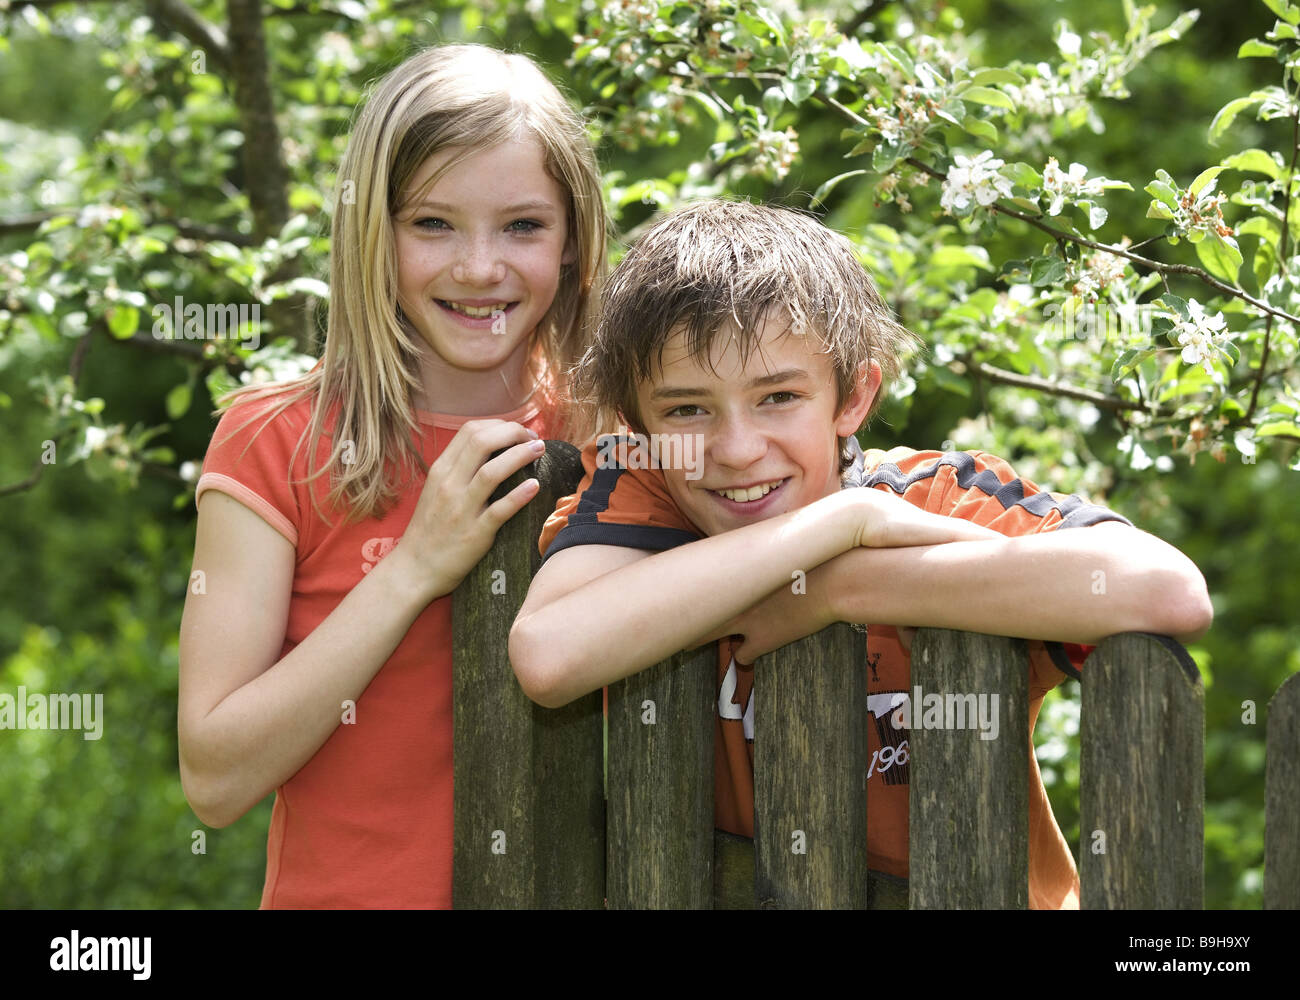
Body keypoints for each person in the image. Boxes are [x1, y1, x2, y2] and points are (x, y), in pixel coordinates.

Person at [508, 198, 1213, 910]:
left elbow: (1165, 591)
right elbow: (548, 655)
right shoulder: (650, 497)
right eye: (687, 410)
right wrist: (849, 520)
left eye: (778, 396)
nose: (737, 450)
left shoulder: (936, 495)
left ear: (853, 397)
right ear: (638, 427)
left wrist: (833, 589)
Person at [177, 43, 608, 908]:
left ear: (572, 241)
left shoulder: (615, 432)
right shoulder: (277, 442)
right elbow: (215, 778)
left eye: (523, 226)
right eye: (432, 223)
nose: (479, 267)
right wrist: (414, 567)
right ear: (374, 231)